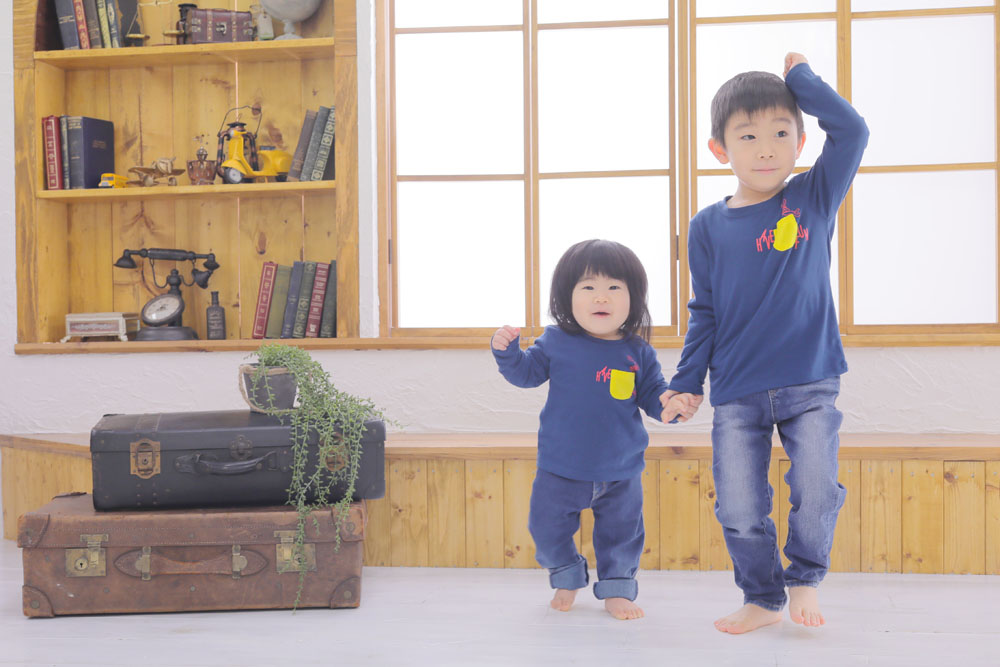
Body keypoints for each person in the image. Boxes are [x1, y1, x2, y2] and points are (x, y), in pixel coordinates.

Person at [662, 53, 869, 634]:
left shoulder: (813, 196)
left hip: (810, 379)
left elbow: (853, 130)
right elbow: (704, 311)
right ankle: (762, 596)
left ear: (801, 142)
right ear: (720, 150)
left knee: (817, 488)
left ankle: (804, 578)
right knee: (737, 506)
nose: (766, 149)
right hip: (737, 389)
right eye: (748, 136)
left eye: (781, 134)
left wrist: (802, 80)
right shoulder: (706, 227)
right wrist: (685, 383)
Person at [491, 239, 690, 621]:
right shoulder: (556, 342)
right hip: (560, 466)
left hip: (621, 470)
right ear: (566, 297)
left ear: (634, 298)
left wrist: (671, 406)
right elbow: (526, 374)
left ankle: (617, 590)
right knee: (545, 528)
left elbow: (653, 395)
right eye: (588, 287)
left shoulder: (638, 352)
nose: (602, 296)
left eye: (614, 286)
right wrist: (508, 353)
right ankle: (567, 573)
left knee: (622, 537)